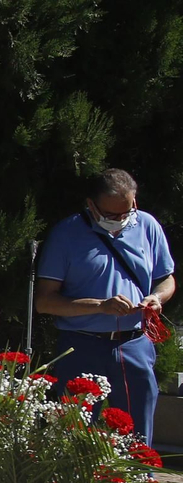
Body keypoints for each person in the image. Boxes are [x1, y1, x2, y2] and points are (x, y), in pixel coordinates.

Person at [37, 168, 176, 443]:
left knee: (137, 438)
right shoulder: (67, 234)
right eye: (113, 216)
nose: (123, 220)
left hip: (135, 344)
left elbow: (167, 280)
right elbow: (44, 301)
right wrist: (100, 305)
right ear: (91, 205)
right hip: (82, 345)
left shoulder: (147, 225)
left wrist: (156, 298)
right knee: (72, 435)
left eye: (129, 210)